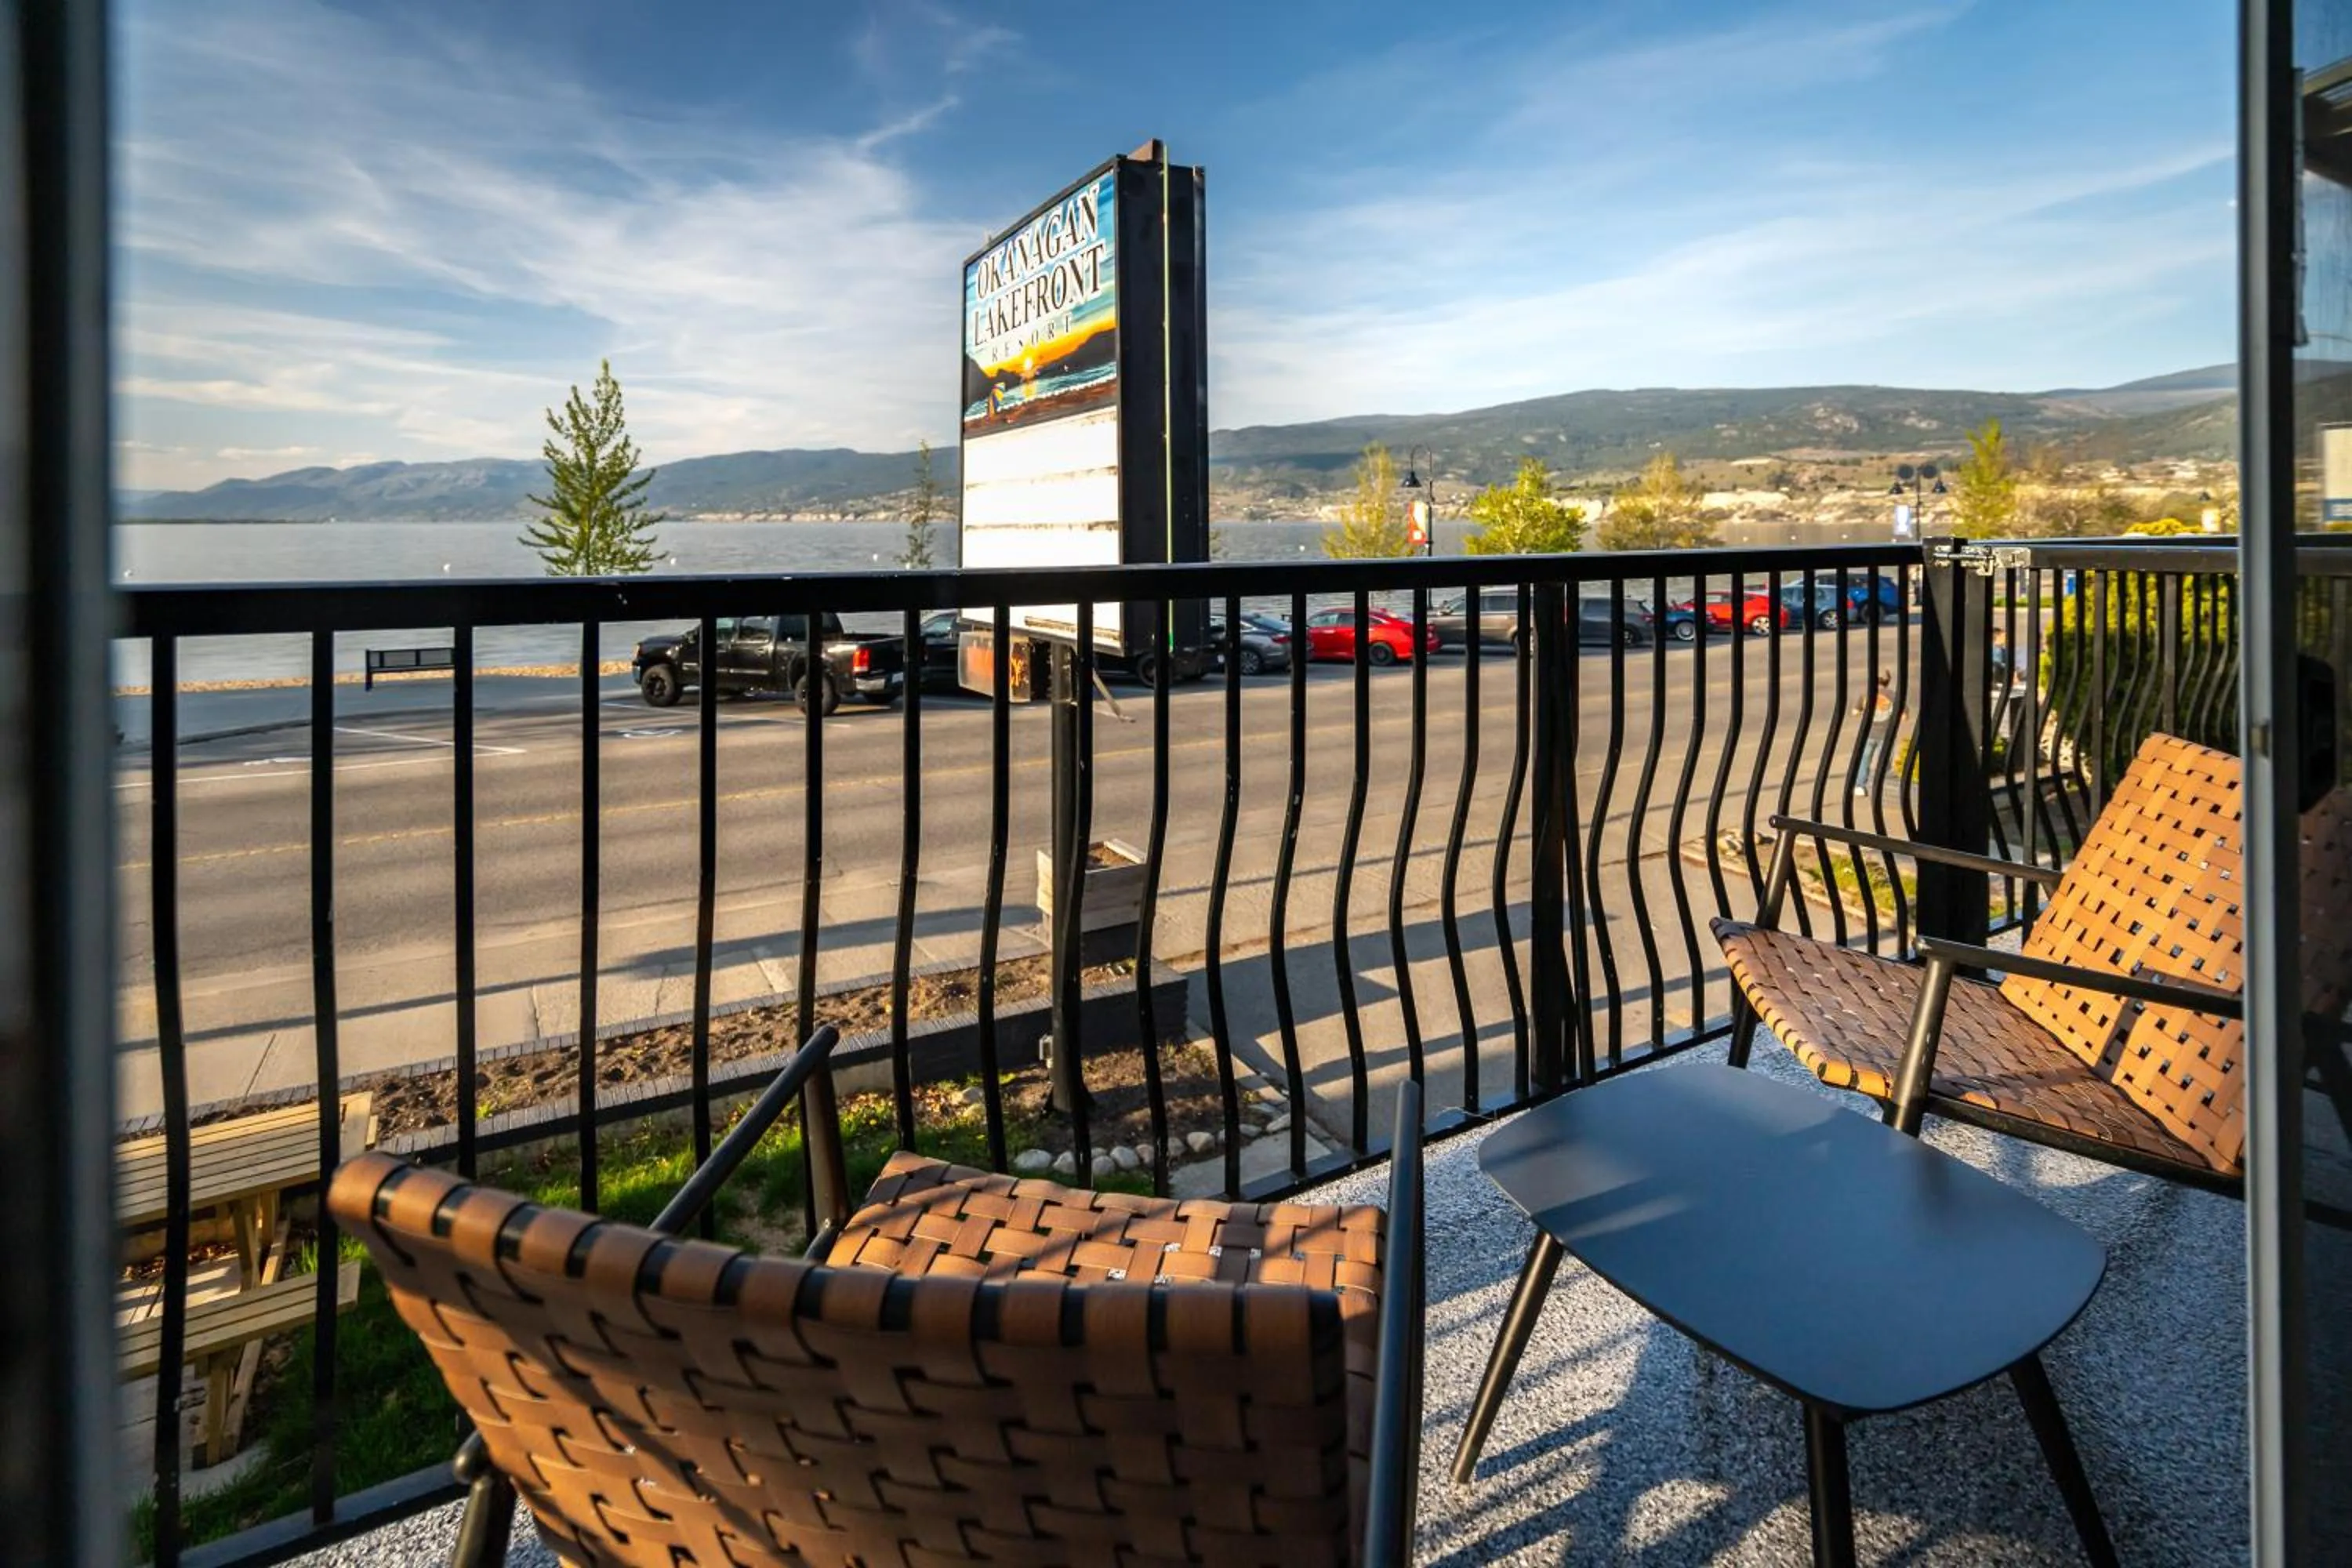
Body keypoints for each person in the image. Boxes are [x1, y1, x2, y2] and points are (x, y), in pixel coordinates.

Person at [1856, 670, 1895, 795]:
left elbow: (1855, 712)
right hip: (1886, 734)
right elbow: (1904, 716)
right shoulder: (1893, 695)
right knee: (1884, 761)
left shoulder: (1866, 695)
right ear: (1887, 682)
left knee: (1865, 760)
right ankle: (1880, 785)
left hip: (1869, 734)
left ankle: (1860, 786)